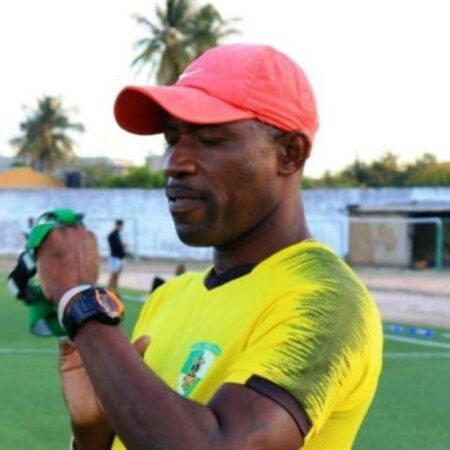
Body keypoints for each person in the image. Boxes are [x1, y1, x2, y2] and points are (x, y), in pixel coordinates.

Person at [37, 43, 382, 450]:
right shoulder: (169, 298)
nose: (173, 162)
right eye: (172, 138)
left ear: (290, 154)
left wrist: (81, 302)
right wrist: (93, 436)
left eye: (211, 139)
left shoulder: (325, 300)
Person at [107, 219, 126, 292]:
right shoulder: (112, 235)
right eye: (121, 226)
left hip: (120, 258)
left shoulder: (118, 234)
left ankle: (114, 291)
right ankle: (108, 291)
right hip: (115, 258)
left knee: (117, 275)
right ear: (118, 226)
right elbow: (115, 247)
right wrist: (122, 246)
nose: (122, 228)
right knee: (113, 275)